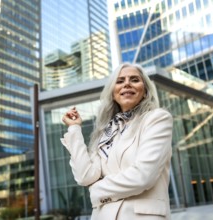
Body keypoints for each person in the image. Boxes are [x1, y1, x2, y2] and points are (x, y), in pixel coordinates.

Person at [61, 63, 173, 220]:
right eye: (120, 81)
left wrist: (98, 190)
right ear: (113, 93)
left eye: (134, 79)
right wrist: (74, 129)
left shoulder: (157, 118)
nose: (127, 83)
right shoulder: (106, 132)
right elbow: (85, 176)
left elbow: (143, 175)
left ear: (145, 90)